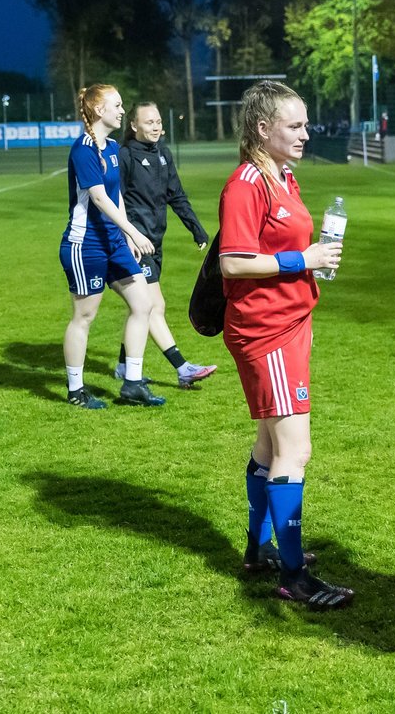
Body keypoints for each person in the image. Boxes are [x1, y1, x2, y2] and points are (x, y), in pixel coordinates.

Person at [218, 80, 352, 609]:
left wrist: (309, 266)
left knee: (270, 447)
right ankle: (293, 576)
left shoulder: (283, 177)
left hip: (290, 322)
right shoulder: (248, 182)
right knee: (295, 450)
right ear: (262, 128)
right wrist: (305, 261)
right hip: (266, 330)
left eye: (304, 124)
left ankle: (260, 549)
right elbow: (233, 261)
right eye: (294, 125)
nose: (305, 133)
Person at [58, 84, 165, 409]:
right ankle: (76, 390)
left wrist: (127, 237)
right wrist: (134, 230)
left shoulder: (112, 148)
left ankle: (132, 382)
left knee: (143, 303)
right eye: (117, 106)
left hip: (114, 242)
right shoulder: (84, 150)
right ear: (99, 111)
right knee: (85, 316)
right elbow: (99, 198)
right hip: (85, 245)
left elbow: (115, 194)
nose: (122, 110)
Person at [113, 102, 217, 389]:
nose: (157, 126)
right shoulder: (124, 157)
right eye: (149, 122)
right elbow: (115, 203)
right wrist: (129, 236)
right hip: (136, 244)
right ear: (133, 126)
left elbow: (177, 196)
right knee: (152, 305)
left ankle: (123, 365)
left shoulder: (163, 155)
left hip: (155, 243)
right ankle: (182, 367)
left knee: (140, 308)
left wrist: (196, 229)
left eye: (159, 121)